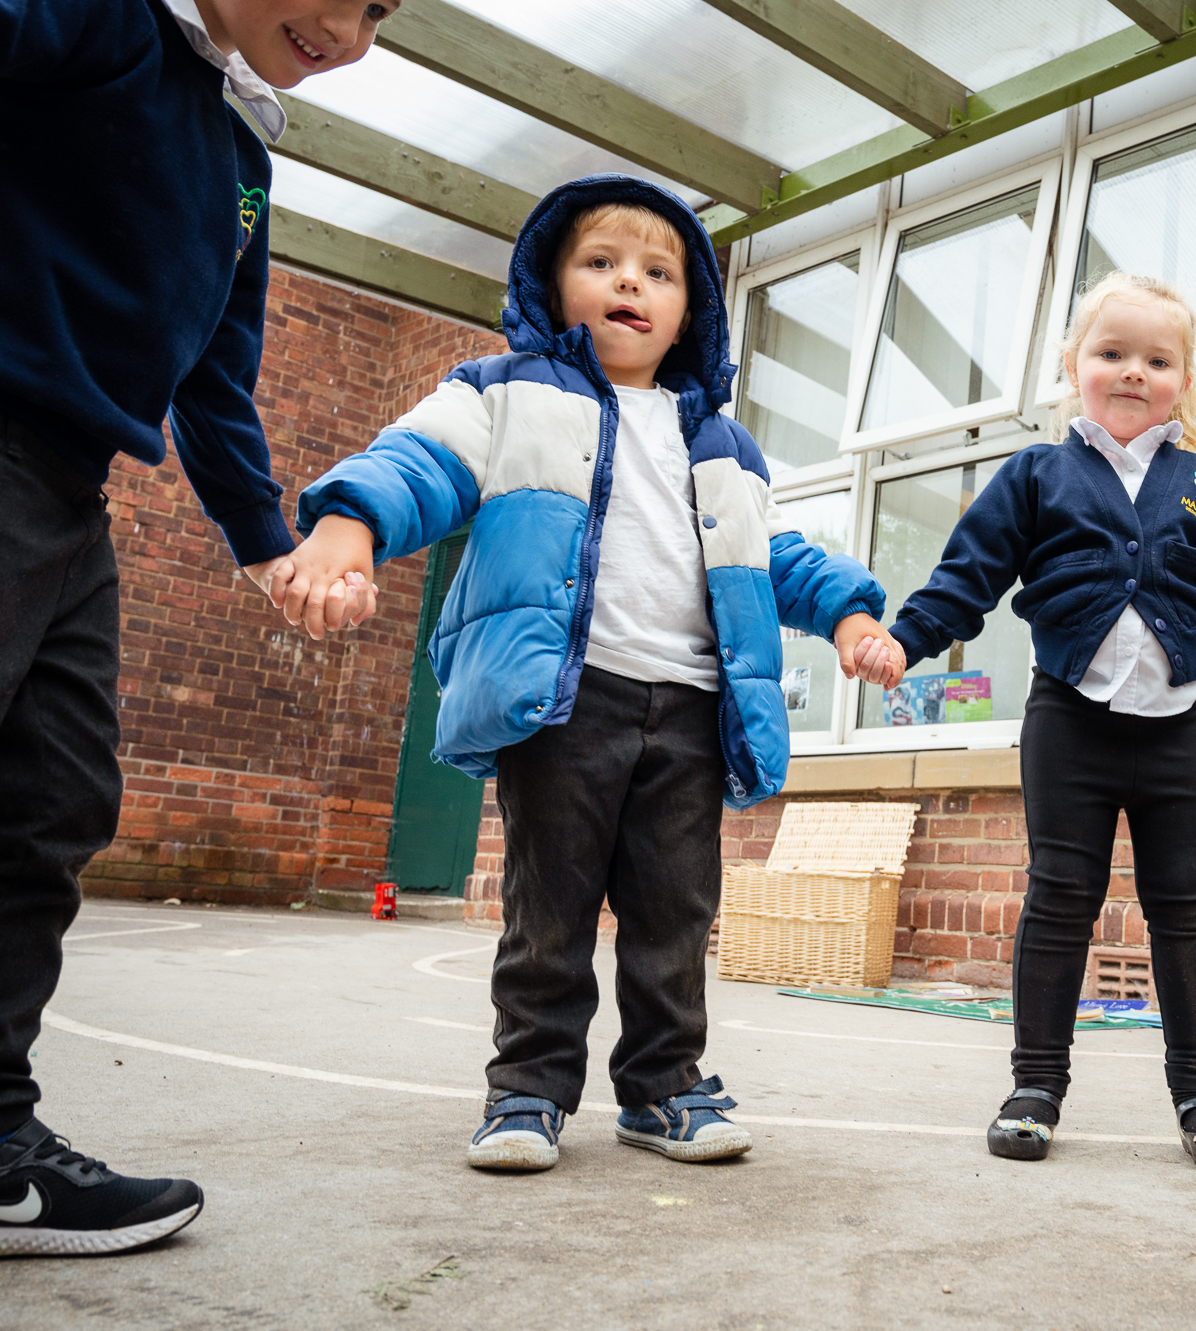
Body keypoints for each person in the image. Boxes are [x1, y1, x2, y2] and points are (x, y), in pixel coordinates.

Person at [275, 175, 906, 1172]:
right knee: (550, 907)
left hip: (692, 707)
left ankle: (662, 1088)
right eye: (601, 262)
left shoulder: (722, 443)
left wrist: (851, 613)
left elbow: (774, 553)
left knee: (674, 913)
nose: (630, 284)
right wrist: (349, 523)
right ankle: (525, 1088)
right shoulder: (504, 390)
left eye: (658, 271)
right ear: (550, 279)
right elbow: (420, 462)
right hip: (565, 696)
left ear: (688, 309)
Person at [0, 0, 399, 1257]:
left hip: (73, 490)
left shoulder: (242, 161)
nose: (352, 30)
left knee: (54, 800)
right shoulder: (98, 19)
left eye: (382, 13)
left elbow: (216, 375)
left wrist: (270, 546)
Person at [864, 272, 1196, 1173]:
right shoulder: (1035, 474)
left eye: (1157, 359)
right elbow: (967, 576)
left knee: (1186, 907)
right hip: (1071, 720)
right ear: (1073, 367)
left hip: (1185, 727)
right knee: (1060, 897)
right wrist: (906, 640)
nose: (1133, 371)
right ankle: (1036, 1085)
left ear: (1184, 382)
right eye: (1111, 353)